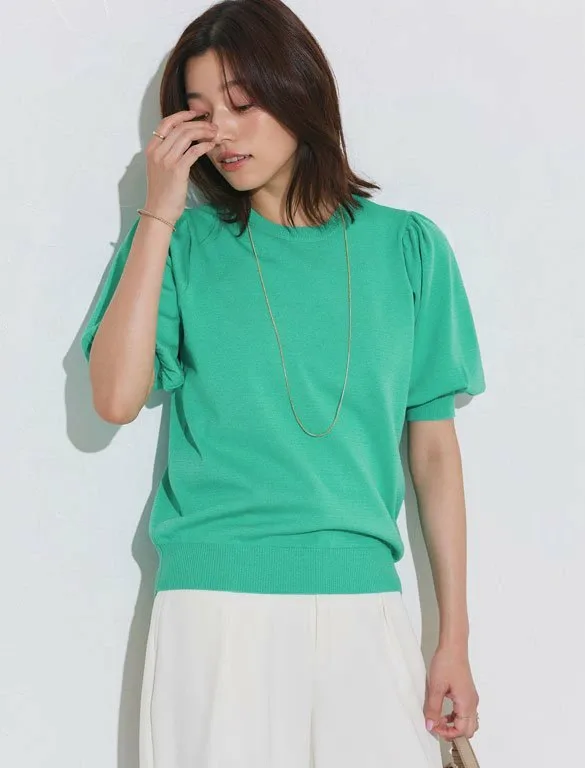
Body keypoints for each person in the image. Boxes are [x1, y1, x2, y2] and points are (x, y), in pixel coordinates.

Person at [81, 1, 486, 765]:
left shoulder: (408, 247)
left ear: (299, 90)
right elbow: (113, 398)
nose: (223, 132)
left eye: (242, 103)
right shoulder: (183, 244)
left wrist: (453, 641)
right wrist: (159, 212)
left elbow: (434, 455)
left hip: (362, 604)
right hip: (215, 610)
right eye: (200, 111)